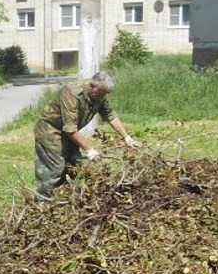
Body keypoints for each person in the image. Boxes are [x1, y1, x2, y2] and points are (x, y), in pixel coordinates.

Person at [34, 70, 141, 199]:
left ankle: (69, 199)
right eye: (101, 94)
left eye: (105, 94)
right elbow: (70, 128)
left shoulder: (100, 94)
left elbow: (110, 115)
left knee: (77, 166)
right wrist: (90, 150)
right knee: (55, 169)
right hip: (51, 131)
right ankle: (41, 204)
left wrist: (127, 138)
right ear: (92, 86)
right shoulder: (71, 93)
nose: (102, 97)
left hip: (69, 132)